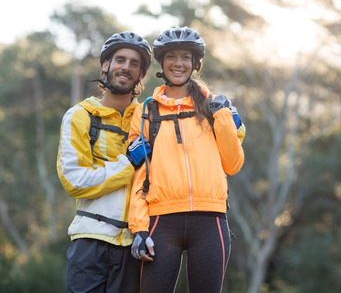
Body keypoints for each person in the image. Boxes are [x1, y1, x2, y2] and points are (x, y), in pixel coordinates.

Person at [127, 26, 246, 292]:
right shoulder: (145, 112)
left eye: (185, 57)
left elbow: (233, 164)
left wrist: (223, 118)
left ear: (195, 63)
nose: (178, 63)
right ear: (161, 62)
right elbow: (138, 175)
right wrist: (138, 228)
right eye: (171, 56)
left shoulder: (217, 107)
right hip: (161, 221)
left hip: (210, 220)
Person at [56, 31, 151, 293]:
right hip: (89, 242)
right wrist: (128, 163)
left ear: (141, 75)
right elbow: (74, 181)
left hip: (135, 245)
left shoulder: (148, 119)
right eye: (120, 59)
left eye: (135, 64)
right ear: (105, 65)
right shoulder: (80, 116)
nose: (126, 67)